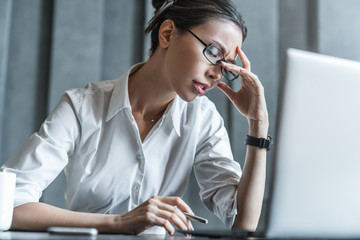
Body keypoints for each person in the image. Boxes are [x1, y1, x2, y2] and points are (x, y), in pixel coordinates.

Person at [1, 0, 271, 236]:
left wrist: (258, 125)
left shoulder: (203, 120)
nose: (216, 74)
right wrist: (119, 222)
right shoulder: (82, 106)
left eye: (226, 67)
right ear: (167, 34)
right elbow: (7, 205)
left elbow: (242, 224)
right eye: (213, 52)